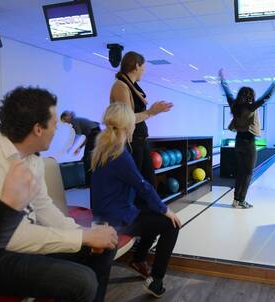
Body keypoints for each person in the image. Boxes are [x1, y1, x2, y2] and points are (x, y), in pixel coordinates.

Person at [0, 87, 118, 301]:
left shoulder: (32, 159)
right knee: (82, 281)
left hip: (25, 244)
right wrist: (82, 236)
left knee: (106, 244)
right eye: (54, 125)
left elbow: (44, 208)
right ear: (38, 129)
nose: (56, 130)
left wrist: (84, 234)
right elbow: (9, 238)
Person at [90, 102, 181, 298]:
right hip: (117, 220)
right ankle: (156, 282)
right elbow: (143, 186)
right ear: (128, 126)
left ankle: (139, 258)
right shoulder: (120, 153)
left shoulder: (101, 148)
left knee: (152, 213)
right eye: (132, 123)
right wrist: (166, 210)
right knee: (170, 224)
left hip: (103, 215)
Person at [219, 68, 275, 209]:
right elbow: (266, 96)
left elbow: (227, 92)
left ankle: (236, 200)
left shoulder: (234, 106)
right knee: (248, 174)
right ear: (250, 97)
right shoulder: (251, 107)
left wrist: (222, 79)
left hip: (238, 142)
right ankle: (241, 201)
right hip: (249, 144)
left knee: (240, 173)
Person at [110, 51, 172, 192]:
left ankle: (147, 212)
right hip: (130, 144)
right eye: (143, 68)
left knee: (147, 184)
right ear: (136, 66)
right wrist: (151, 112)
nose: (144, 71)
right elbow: (127, 120)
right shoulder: (120, 86)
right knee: (136, 186)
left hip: (140, 141)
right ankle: (134, 213)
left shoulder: (133, 86)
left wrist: (154, 111)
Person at [61, 110, 101, 186]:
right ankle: (90, 182)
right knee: (87, 158)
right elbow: (87, 138)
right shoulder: (77, 120)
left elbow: (78, 136)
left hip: (95, 135)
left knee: (87, 158)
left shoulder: (74, 121)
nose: (66, 123)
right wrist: (79, 148)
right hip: (96, 134)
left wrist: (72, 147)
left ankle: (89, 183)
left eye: (65, 120)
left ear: (67, 116)